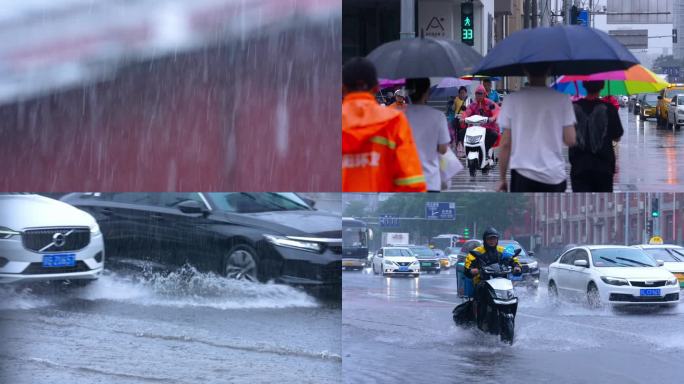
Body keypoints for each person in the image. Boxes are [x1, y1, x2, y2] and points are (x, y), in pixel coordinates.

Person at [342, 57, 427, 192]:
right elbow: (411, 183)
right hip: (379, 208)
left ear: (343, 88)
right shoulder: (394, 121)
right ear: (376, 88)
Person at [497, 64, 577, 192]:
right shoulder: (562, 99)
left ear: (525, 70)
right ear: (550, 70)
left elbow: (505, 143)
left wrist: (502, 178)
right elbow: (570, 139)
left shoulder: (512, 100)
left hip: (522, 174)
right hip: (554, 175)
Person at [570, 80, 624, 192]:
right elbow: (617, 136)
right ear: (603, 86)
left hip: (579, 166)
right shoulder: (609, 108)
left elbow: (568, 137)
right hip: (604, 167)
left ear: (584, 85)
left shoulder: (574, 107)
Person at [463, 227, 521, 327]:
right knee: (480, 295)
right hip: (483, 281)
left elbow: (514, 261)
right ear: (485, 239)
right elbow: (468, 267)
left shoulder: (503, 251)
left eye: (494, 238)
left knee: (512, 295)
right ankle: (480, 320)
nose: (492, 241)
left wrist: (517, 267)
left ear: (497, 239)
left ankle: (510, 315)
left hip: (502, 282)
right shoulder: (477, 252)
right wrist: (472, 270)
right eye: (489, 238)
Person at [403, 78, 451, 192]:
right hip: (430, 181)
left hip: (406, 180)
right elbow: (443, 149)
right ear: (427, 92)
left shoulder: (399, 116)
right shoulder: (438, 116)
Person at [459, 85, 500, 171]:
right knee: (461, 133)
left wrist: (493, 118)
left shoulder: (490, 103)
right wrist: (463, 118)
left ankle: (487, 151)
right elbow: (467, 112)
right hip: (474, 129)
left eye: (480, 93)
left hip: (488, 128)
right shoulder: (472, 105)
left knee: (494, 135)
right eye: (477, 93)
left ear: (484, 94)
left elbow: (496, 111)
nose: (478, 95)